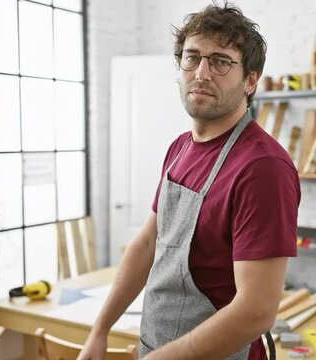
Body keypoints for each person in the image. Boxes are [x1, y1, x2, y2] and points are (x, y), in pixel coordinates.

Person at [78, 2, 300, 359]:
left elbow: (256, 311)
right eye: (191, 57)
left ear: (250, 80)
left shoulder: (262, 168)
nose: (201, 73)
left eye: (221, 62)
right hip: (157, 345)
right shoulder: (179, 148)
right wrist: (100, 330)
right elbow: (147, 244)